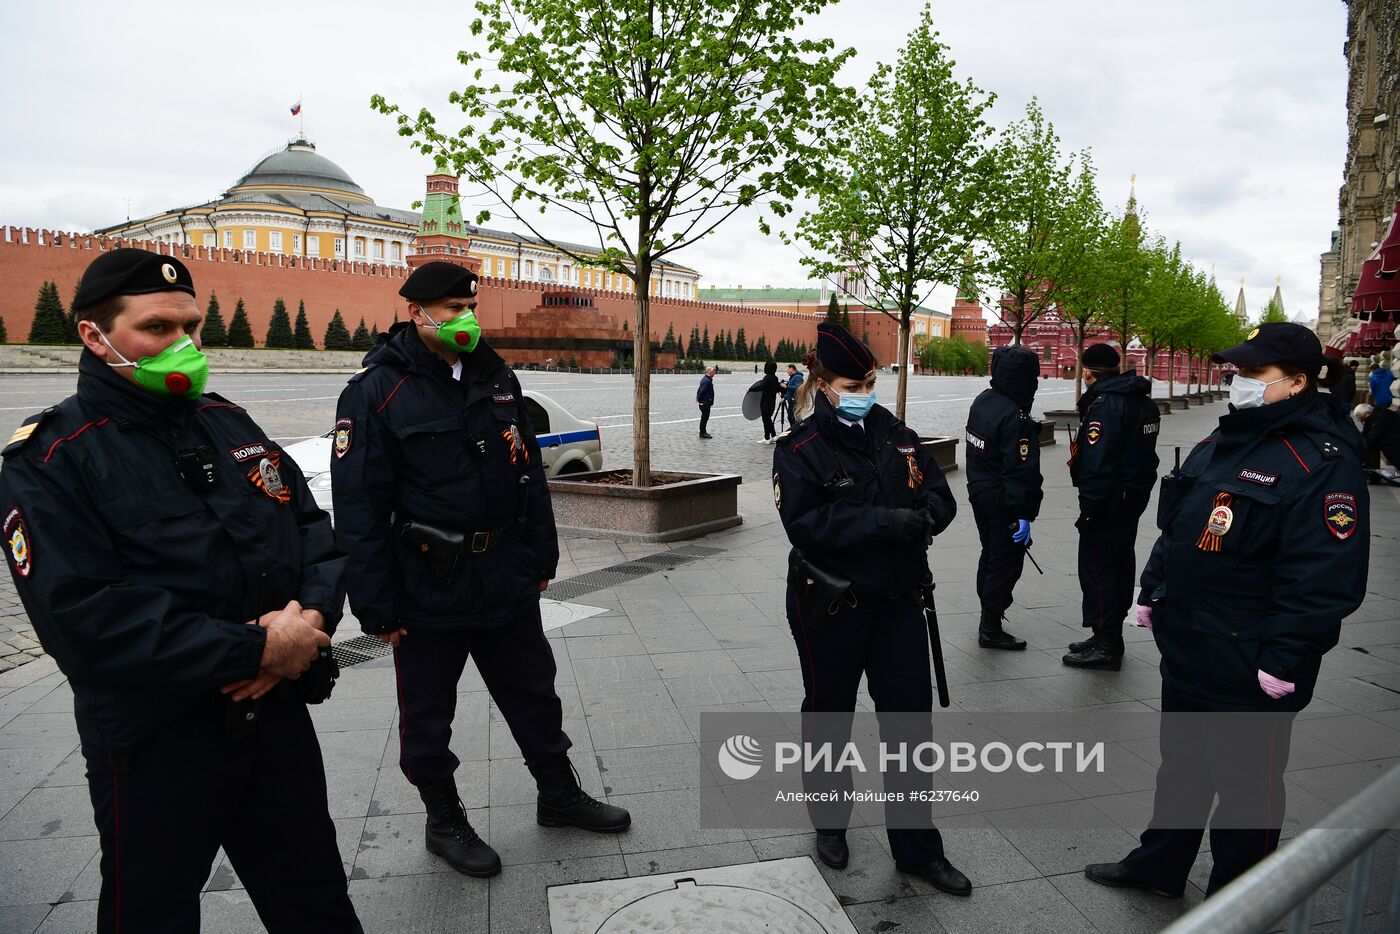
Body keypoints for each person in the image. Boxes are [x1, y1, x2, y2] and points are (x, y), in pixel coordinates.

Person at [0, 249, 361, 933]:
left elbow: (313, 532)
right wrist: (257, 650)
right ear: (94, 335)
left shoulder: (228, 421)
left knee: (316, 900)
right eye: (157, 328)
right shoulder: (52, 459)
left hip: (275, 722)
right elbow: (85, 620)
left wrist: (308, 621)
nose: (185, 344)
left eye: (192, 326)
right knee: (151, 914)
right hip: (156, 746)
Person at [331, 261, 629, 880]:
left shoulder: (496, 377)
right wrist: (376, 605)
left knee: (535, 694)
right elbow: (359, 507)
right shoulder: (375, 391)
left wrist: (541, 557)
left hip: (505, 575)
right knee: (428, 716)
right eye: (451, 309)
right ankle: (444, 820)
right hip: (427, 586)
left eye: (469, 307)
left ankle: (558, 793)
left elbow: (529, 477)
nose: (465, 318)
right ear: (417, 313)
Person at [1085, 322, 1369, 899]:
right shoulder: (1224, 438)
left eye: (1255, 372)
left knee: (1247, 791)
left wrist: (1285, 659)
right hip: (1190, 642)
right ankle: (1159, 866)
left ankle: (1239, 900)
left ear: (1297, 381)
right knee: (1182, 766)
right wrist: (1153, 590)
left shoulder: (1322, 462)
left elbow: (1323, 579)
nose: (1240, 379)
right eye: (1238, 369)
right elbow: (1180, 526)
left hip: (1251, 658)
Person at [773, 323, 970, 896]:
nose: (865, 392)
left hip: (899, 602)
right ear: (825, 386)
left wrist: (927, 516)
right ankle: (830, 822)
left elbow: (939, 493)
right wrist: (886, 521)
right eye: (853, 385)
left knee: (909, 725)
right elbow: (806, 524)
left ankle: (917, 849)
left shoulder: (896, 435)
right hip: (833, 604)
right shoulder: (800, 448)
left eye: (869, 382)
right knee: (829, 714)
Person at [1063, 343, 1161, 671]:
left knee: (1098, 568)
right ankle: (1108, 635)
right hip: (1131, 497)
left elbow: (1098, 463)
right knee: (1119, 564)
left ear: (1089, 372)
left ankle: (1106, 644)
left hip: (1108, 501)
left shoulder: (1107, 405)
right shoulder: (1142, 401)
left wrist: (1089, 508)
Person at [963, 345, 1043, 651]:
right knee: (1005, 561)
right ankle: (991, 626)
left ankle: (989, 616)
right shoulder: (1015, 415)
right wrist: (1024, 513)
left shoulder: (984, 400)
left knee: (991, 554)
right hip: (1003, 498)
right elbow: (1021, 470)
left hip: (979, 490)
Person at [1355, 403, 1400, 483]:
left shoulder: (1380, 417)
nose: (1358, 419)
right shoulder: (1371, 416)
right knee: (1372, 446)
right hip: (1390, 437)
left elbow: (1373, 435)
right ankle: (1373, 475)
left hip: (1394, 439)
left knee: (1389, 451)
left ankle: (1374, 475)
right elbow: (1366, 432)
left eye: (1359, 416)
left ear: (1367, 413)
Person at [758, 359, 781, 442]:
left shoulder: (767, 378)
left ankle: (767, 438)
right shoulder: (775, 378)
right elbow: (778, 388)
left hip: (765, 402)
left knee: (765, 420)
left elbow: (761, 386)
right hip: (772, 402)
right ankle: (773, 435)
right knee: (768, 419)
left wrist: (750, 389)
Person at [784, 363, 805, 427]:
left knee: (795, 418)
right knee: (791, 417)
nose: (787, 371)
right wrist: (785, 397)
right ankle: (794, 430)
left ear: (792, 369)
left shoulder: (798, 377)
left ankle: (797, 430)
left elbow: (798, 388)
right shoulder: (793, 377)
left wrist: (786, 386)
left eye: (788, 369)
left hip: (795, 402)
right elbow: (790, 391)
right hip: (792, 402)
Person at [697, 366, 716, 438]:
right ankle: (702, 432)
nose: (714, 374)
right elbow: (702, 392)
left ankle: (703, 432)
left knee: (704, 417)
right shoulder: (707, 381)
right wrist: (700, 399)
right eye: (713, 372)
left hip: (704, 402)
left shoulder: (704, 379)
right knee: (705, 418)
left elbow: (699, 389)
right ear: (709, 372)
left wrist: (698, 398)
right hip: (705, 403)